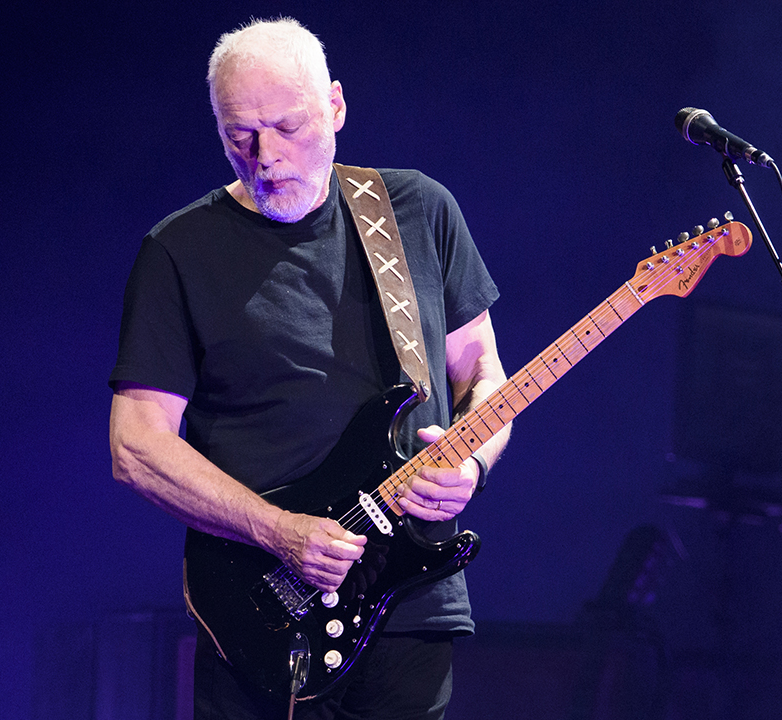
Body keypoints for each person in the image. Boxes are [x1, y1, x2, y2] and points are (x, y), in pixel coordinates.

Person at [108, 17, 510, 720]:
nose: (264, 156)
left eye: (288, 128)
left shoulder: (418, 211)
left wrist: (471, 466)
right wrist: (275, 529)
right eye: (239, 134)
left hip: (411, 597)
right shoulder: (178, 251)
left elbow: (483, 373)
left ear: (336, 108)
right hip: (263, 611)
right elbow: (136, 446)